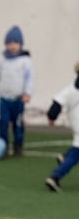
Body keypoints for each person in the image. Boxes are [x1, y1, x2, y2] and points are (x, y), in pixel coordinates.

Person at [0, 25, 34, 157]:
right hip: (4, 99)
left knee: (18, 124)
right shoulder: (1, 60)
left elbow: (29, 78)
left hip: (18, 99)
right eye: (9, 43)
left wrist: (27, 93)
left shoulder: (25, 61)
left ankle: (18, 145)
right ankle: (3, 146)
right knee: (3, 123)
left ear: (21, 44)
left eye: (15, 43)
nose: (12, 46)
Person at [44, 62, 79, 193]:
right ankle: (55, 177)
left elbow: (56, 104)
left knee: (77, 148)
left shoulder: (69, 89)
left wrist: (51, 117)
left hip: (76, 123)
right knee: (76, 154)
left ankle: (65, 158)